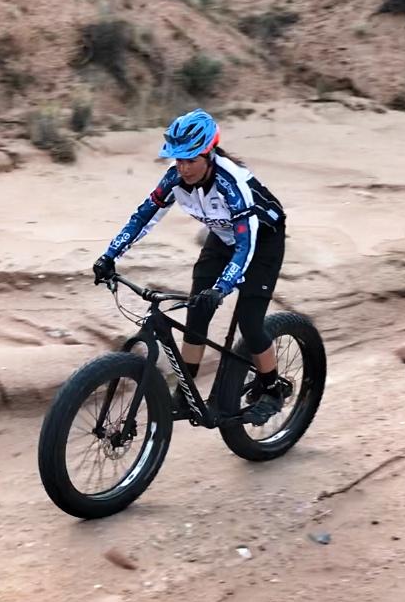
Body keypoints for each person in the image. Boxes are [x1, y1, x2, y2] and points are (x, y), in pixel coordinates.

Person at [92, 108, 290, 425]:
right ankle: (186, 394)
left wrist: (222, 288)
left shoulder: (231, 183)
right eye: (178, 159)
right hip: (223, 236)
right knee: (197, 314)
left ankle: (272, 389)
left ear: (208, 153)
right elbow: (144, 216)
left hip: (261, 241)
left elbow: (246, 245)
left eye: (190, 160)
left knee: (251, 323)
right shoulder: (176, 178)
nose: (183, 167)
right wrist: (109, 255)